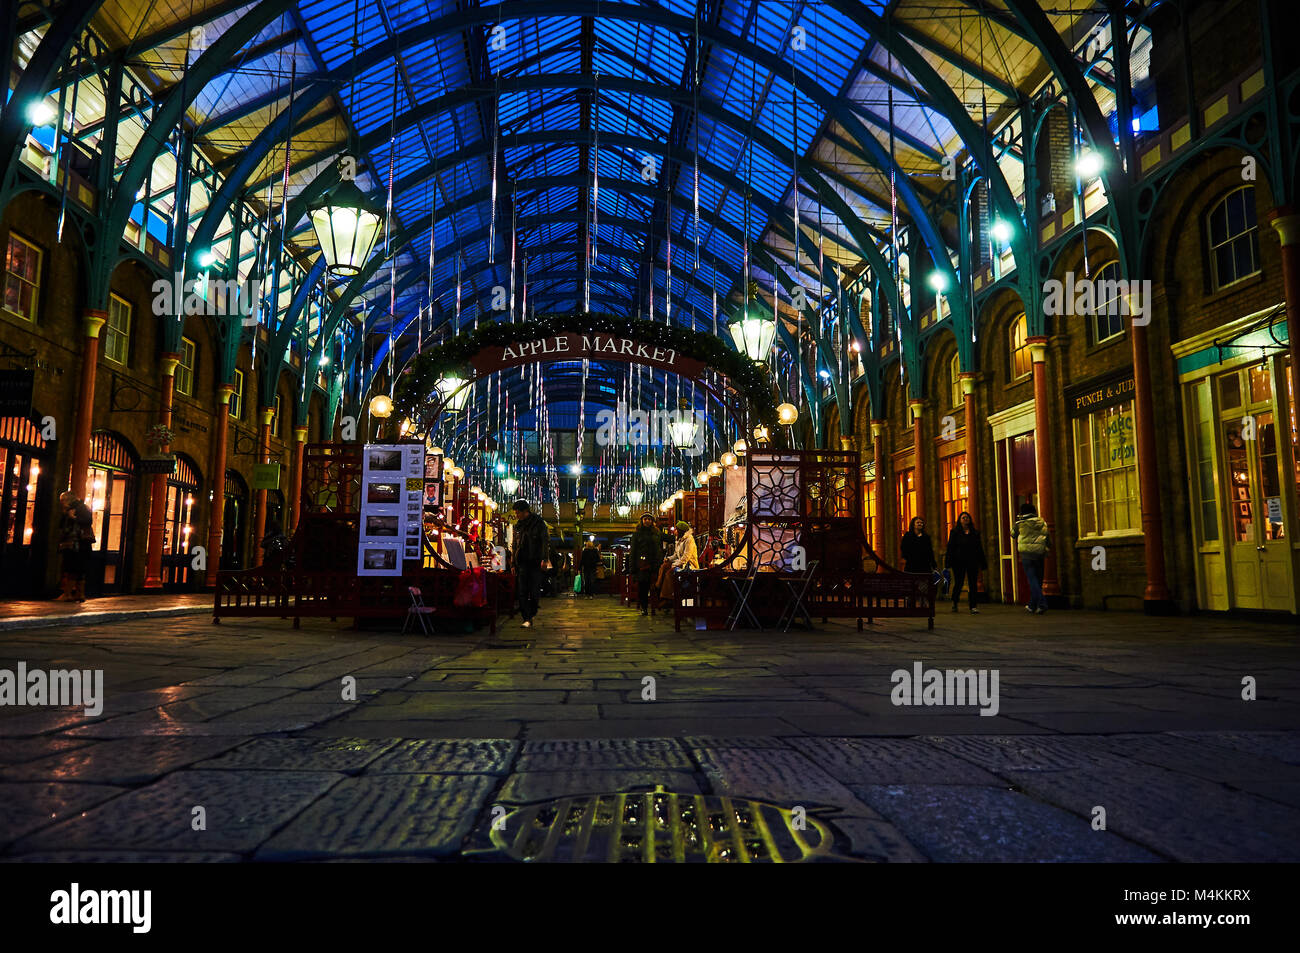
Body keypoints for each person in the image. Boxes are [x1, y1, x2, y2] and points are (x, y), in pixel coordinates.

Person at [511, 499, 548, 627]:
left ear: (525, 511)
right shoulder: (518, 526)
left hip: (535, 561)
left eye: (517, 512)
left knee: (534, 591)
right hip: (521, 562)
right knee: (521, 591)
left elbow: (544, 541)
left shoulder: (538, 523)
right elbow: (514, 545)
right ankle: (526, 618)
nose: (516, 515)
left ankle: (531, 612)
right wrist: (512, 563)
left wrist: (544, 559)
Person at [945, 511, 987, 614]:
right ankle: (955, 602)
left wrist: (982, 562)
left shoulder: (975, 533)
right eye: (963, 517)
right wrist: (948, 562)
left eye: (967, 517)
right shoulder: (954, 532)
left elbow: (979, 548)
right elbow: (950, 547)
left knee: (973, 584)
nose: (965, 519)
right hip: (958, 562)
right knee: (958, 583)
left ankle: (973, 606)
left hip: (972, 561)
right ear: (959, 520)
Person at [56, 491, 94, 603]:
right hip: (82, 544)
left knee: (72, 568)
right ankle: (80, 594)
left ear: (67, 500)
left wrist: (72, 517)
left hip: (75, 544)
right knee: (80, 570)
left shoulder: (75, 509)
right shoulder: (83, 507)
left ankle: (67, 594)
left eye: (63, 501)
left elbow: (86, 521)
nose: (62, 503)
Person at [1013, 502, 1050, 614]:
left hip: (1027, 555)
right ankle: (1032, 605)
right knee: (1038, 581)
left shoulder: (1020, 523)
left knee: (1032, 580)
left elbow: (1012, 534)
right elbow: (1047, 536)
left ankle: (1042, 604)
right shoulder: (1042, 522)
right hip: (1040, 554)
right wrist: (1048, 549)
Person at [629, 514, 664, 615]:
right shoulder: (637, 534)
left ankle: (655, 606)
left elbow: (659, 548)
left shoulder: (656, 533)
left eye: (649, 519)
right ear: (642, 521)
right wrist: (632, 568)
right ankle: (644, 608)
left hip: (654, 564)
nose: (647, 521)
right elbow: (633, 551)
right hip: (642, 564)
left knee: (655, 586)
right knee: (643, 587)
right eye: (645, 519)